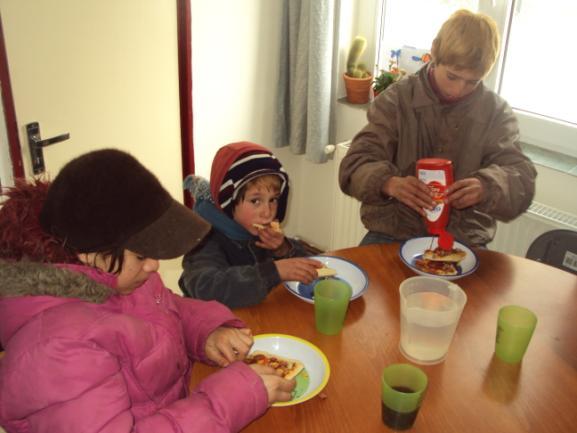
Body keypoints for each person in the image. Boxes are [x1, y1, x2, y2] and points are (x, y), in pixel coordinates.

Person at [0, 149, 295, 433]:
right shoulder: (58, 350)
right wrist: (236, 396)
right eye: (141, 255)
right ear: (89, 254)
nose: (154, 265)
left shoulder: (118, 276)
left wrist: (206, 331)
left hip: (180, 407)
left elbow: (165, 307)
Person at [339, 9, 537, 247]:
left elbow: (522, 179)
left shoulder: (495, 113)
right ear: (434, 51)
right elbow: (355, 164)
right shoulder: (397, 99)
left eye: (472, 82)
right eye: (452, 76)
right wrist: (388, 182)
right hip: (392, 232)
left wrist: (488, 187)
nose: (458, 90)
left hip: (462, 240)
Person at [179, 141, 322, 308]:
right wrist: (274, 272)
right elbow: (206, 287)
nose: (267, 212)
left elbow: (306, 267)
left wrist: (282, 248)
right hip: (210, 326)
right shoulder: (203, 238)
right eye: (255, 201)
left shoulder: (258, 230)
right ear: (228, 201)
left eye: (273, 200)